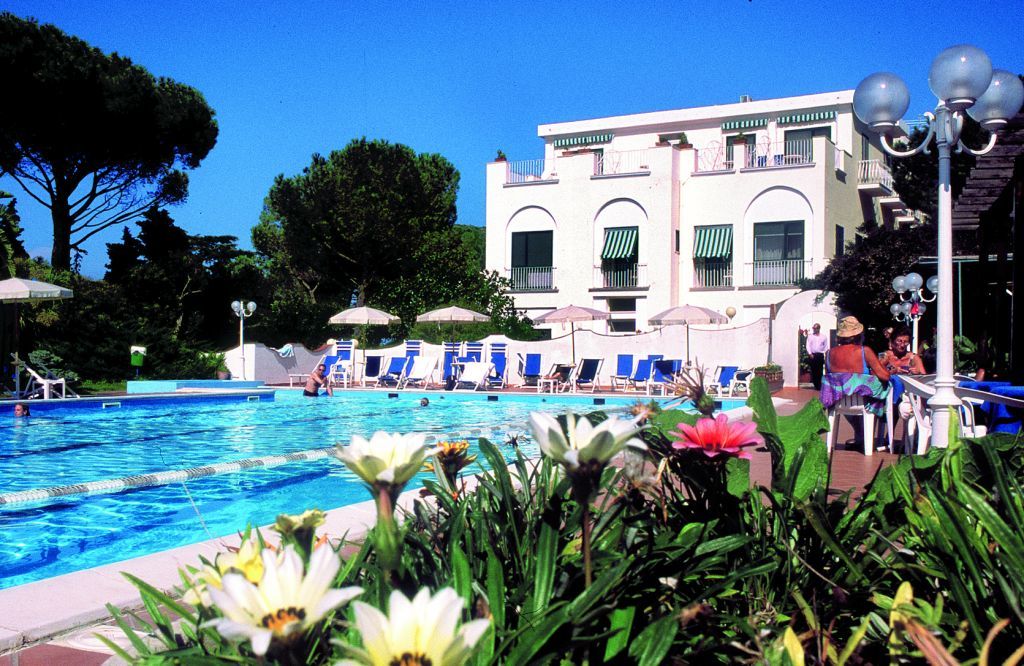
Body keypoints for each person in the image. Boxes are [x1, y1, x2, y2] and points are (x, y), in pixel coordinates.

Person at [820, 315, 890, 418]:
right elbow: (885, 376)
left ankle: (859, 431)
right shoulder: (864, 351)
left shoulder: (829, 353)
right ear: (857, 335)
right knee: (887, 386)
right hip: (863, 403)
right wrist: (884, 363)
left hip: (838, 402)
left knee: (847, 393)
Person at [805, 322, 829, 390]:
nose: (814, 329)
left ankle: (819, 385)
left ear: (819, 328)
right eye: (813, 328)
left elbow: (825, 346)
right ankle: (816, 384)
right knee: (814, 370)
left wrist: (825, 353)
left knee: (820, 370)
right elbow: (808, 345)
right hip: (813, 355)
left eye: (815, 328)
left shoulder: (823, 337)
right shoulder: (810, 336)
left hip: (820, 355)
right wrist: (810, 354)